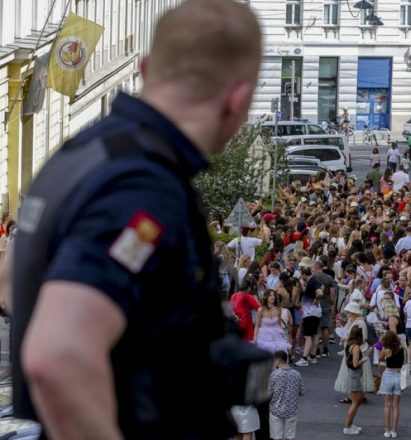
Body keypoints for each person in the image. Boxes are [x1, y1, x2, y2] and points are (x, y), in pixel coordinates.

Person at [0, 6, 264, 434]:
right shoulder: (143, 187)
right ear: (239, 99)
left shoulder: (81, 155)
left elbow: (11, 280)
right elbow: (57, 355)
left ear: (145, 69)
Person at [268, 350, 304, 440]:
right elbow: (301, 392)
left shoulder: (274, 375)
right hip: (291, 409)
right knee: (290, 436)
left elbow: (268, 393)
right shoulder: (297, 374)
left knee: (277, 436)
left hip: (276, 410)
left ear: (278, 360)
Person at [378, 331, 405, 439]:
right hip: (398, 375)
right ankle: (394, 430)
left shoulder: (386, 350)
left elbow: (380, 359)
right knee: (396, 406)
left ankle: (387, 430)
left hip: (388, 374)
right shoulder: (402, 350)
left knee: (387, 405)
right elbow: (404, 362)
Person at [343, 326, 368, 435]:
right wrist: (364, 359)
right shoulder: (356, 347)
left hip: (353, 375)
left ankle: (350, 423)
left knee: (358, 401)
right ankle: (347, 427)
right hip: (355, 377)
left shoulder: (349, 344)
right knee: (355, 402)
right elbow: (355, 364)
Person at [253, 289, 293, 354]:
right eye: (270, 295)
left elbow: (279, 324)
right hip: (264, 336)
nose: (272, 297)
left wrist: (283, 334)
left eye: (273, 295)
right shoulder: (261, 310)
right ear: (266, 297)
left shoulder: (278, 309)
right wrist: (255, 338)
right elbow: (257, 326)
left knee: (278, 355)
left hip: (276, 335)